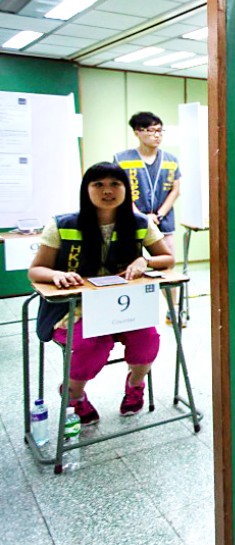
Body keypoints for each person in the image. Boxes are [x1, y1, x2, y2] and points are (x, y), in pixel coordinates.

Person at [28, 163, 174, 425]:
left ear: (126, 189)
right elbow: (36, 270)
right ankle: (74, 394)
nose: (107, 190)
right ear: (86, 190)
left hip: (124, 308)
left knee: (147, 339)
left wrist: (145, 262)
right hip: (73, 309)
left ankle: (136, 384)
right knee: (93, 344)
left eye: (115, 184)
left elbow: (167, 258)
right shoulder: (62, 224)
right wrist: (56, 275)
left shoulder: (140, 223)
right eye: (98, 184)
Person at [113, 112, 182, 319]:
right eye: (151, 130)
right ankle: (128, 311)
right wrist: (141, 216)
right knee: (128, 264)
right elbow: (119, 190)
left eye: (160, 130)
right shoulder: (121, 159)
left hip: (163, 221)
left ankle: (173, 308)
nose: (157, 135)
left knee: (168, 264)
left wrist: (158, 215)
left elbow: (175, 190)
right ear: (137, 132)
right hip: (131, 221)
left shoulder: (171, 159)